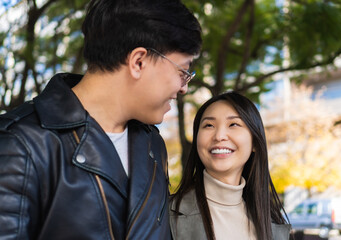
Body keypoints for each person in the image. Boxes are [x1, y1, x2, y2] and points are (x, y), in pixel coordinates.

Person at [0, 0, 201, 239]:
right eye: (183, 72)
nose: (183, 88)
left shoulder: (152, 144)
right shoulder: (18, 145)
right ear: (139, 62)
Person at [169, 91, 291, 240]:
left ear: (255, 143)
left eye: (233, 124)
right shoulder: (165, 216)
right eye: (208, 125)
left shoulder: (272, 226)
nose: (219, 136)